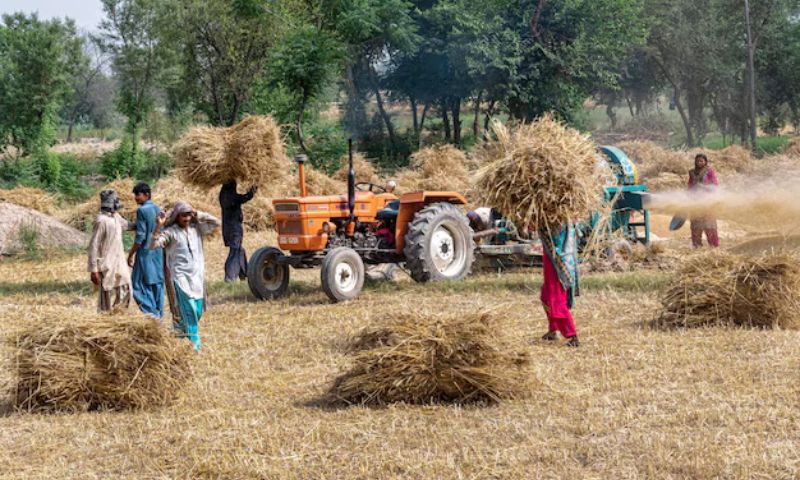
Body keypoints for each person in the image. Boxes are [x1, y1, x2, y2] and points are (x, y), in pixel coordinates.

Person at [150, 202, 220, 351]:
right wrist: (158, 226)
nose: (186, 218)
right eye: (183, 215)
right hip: (180, 278)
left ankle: (176, 336)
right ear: (177, 217)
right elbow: (154, 245)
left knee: (197, 311)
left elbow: (216, 222)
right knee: (190, 312)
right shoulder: (171, 233)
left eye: (188, 215)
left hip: (197, 278)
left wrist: (197, 213)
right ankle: (195, 347)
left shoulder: (197, 230)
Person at [87, 189, 133, 312]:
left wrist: (146, 221)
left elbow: (129, 226)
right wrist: (93, 270)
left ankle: (119, 314)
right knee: (106, 293)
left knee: (125, 287)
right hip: (106, 262)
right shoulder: (101, 221)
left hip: (119, 262)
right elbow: (94, 245)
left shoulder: (116, 217)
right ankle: (105, 319)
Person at [539, 224, 580, 347]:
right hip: (551, 261)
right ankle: (553, 330)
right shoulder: (555, 219)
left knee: (557, 300)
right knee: (545, 297)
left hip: (558, 264)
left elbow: (555, 237)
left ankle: (573, 336)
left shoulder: (557, 221)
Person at [128, 182, 165, 318]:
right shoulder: (157, 208)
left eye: (137, 195)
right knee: (156, 283)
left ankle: (152, 315)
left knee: (138, 285)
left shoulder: (142, 211)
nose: (135, 198)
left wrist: (131, 254)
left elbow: (140, 237)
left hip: (145, 252)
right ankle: (159, 315)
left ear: (146, 195)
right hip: (158, 252)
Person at [219, 181, 256, 282]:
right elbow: (243, 198)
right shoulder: (230, 197)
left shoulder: (223, 195)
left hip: (229, 227)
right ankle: (230, 277)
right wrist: (252, 191)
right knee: (235, 251)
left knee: (239, 250)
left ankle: (245, 274)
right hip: (233, 229)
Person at [687, 153, 720, 248]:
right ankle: (697, 246)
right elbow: (690, 186)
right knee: (695, 227)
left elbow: (715, 186)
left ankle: (714, 247)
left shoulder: (710, 172)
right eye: (697, 161)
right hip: (695, 204)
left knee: (710, 226)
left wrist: (703, 187)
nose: (699, 163)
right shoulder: (692, 172)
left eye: (701, 161)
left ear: (705, 162)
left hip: (708, 204)